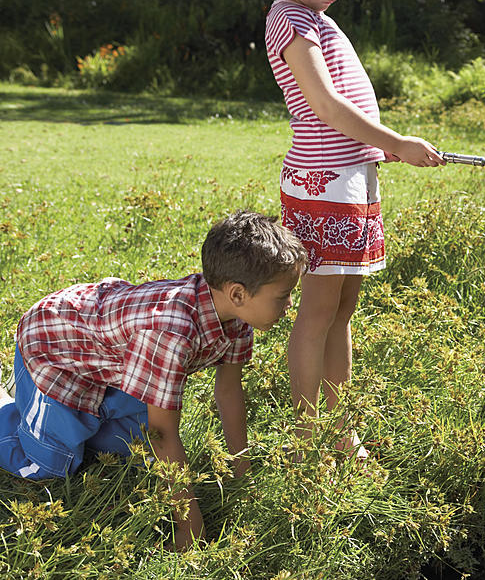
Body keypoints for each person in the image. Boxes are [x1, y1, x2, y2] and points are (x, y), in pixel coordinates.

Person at [0, 210, 307, 549]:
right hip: (56, 352)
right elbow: (163, 433)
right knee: (49, 467)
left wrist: (241, 473)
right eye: (283, 296)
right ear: (237, 293)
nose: (290, 304)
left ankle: (70, 415)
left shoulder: (237, 318)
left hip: (113, 367)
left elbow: (229, 391)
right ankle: (10, 406)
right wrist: (190, 523)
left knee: (131, 455)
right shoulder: (171, 333)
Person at [265, 0, 445, 458]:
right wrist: (396, 141)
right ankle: (306, 438)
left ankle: (341, 432)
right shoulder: (289, 17)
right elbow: (324, 106)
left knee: (342, 307)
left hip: (350, 177)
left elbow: (345, 109)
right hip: (323, 184)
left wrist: (377, 149)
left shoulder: (318, 17)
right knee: (317, 312)